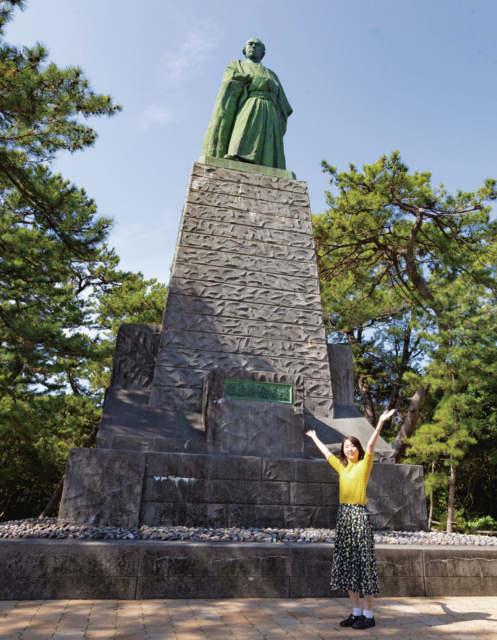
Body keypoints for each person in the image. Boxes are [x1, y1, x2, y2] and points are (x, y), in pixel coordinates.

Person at [306, 409, 395, 630]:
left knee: (364, 565)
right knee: (348, 565)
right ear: (344, 451)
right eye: (346, 446)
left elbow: (372, 445)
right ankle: (356, 613)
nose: (350, 448)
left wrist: (380, 424)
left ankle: (368, 614)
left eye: (353, 445)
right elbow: (327, 453)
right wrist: (315, 437)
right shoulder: (342, 467)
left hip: (359, 516)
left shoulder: (364, 465)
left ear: (358, 449)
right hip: (344, 517)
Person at [201, 38, 292, 170]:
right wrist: (249, 79)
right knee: (243, 129)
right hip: (249, 102)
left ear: (262, 52)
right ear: (244, 50)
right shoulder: (237, 64)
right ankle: (238, 156)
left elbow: (283, 101)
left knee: (269, 144)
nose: (253, 47)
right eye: (250, 44)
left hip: (271, 109)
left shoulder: (271, 74)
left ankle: (268, 163)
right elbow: (231, 79)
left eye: (257, 45)